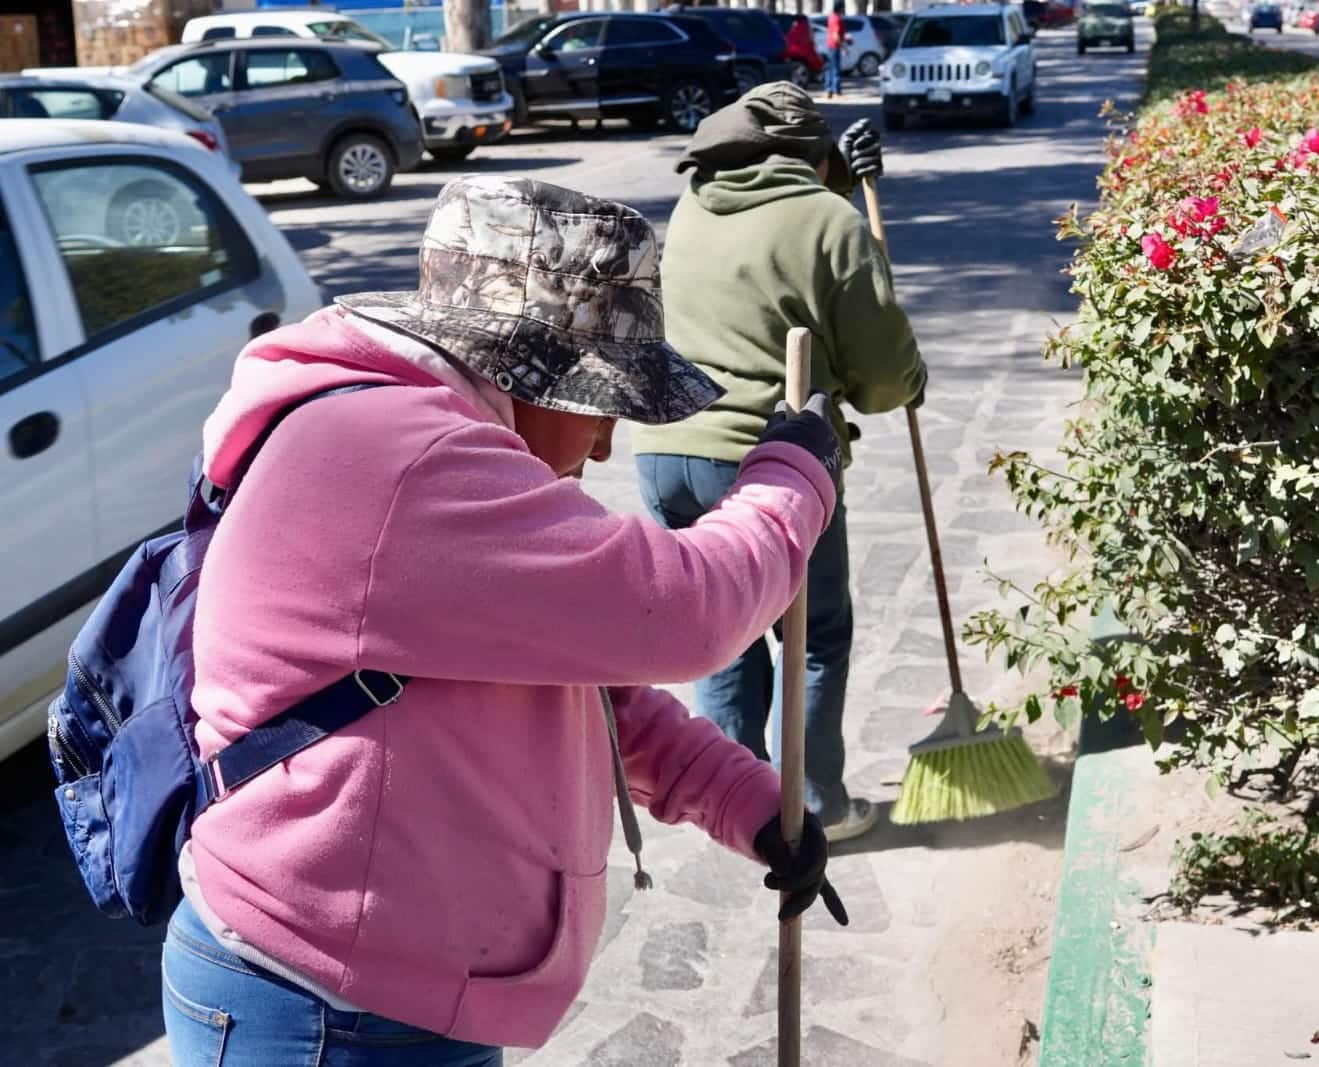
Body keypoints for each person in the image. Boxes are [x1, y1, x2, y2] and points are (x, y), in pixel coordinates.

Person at [160, 176, 849, 1066]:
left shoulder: (435, 444)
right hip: (321, 1006)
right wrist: (791, 479)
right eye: (601, 401)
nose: (605, 444)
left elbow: (591, 692)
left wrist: (748, 801)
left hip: (392, 995)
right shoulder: (405, 456)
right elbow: (682, 611)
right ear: (521, 370)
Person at [633, 84, 926, 844]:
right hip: (772, 462)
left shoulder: (693, 205)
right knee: (817, 632)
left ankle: (741, 804)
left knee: (720, 627)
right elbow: (887, 381)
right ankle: (814, 802)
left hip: (667, 454)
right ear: (812, 154)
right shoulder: (832, 222)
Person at [825, 0, 848, 98]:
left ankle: (829, 90)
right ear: (840, 8)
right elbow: (836, 35)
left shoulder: (831, 17)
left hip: (829, 45)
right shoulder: (837, 19)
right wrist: (844, 47)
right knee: (836, 69)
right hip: (835, 46)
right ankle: (837, 91)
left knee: (829, 69)